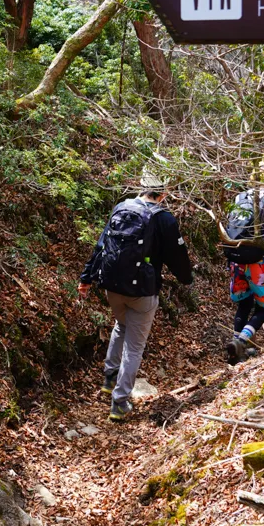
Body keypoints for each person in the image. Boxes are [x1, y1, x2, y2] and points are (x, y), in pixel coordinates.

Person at [79, 172, 193, 421]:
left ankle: (109, 378)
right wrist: (187, 279)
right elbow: (177, 256)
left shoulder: (122, 207)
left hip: (111, 286)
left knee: (121, 325)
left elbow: (102, 245)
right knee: (135, 346)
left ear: (141, 187)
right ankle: (119, 402)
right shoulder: (164, 219)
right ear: (163, 193)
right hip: (142, 291)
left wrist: (86, 278)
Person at [223, 169, 264, 365]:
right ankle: (241, 341)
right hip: (261, 260)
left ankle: (236, 351)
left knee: (244, 302)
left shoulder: (239, 197)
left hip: (237, 258)